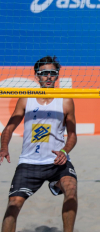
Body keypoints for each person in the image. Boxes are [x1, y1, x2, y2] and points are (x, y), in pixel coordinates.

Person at [0, 56, 78, 232]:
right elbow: (9, 128)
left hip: (57, 161)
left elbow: (72, 135)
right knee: (13, 204)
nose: (48, 77)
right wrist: (4, 147)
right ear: (37, 76)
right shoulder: (26, 99)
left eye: (52, 73)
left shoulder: (65, 100)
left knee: (71, 191)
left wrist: (64, 151)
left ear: (57, 75)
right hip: (29, 163)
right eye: (44, 73)